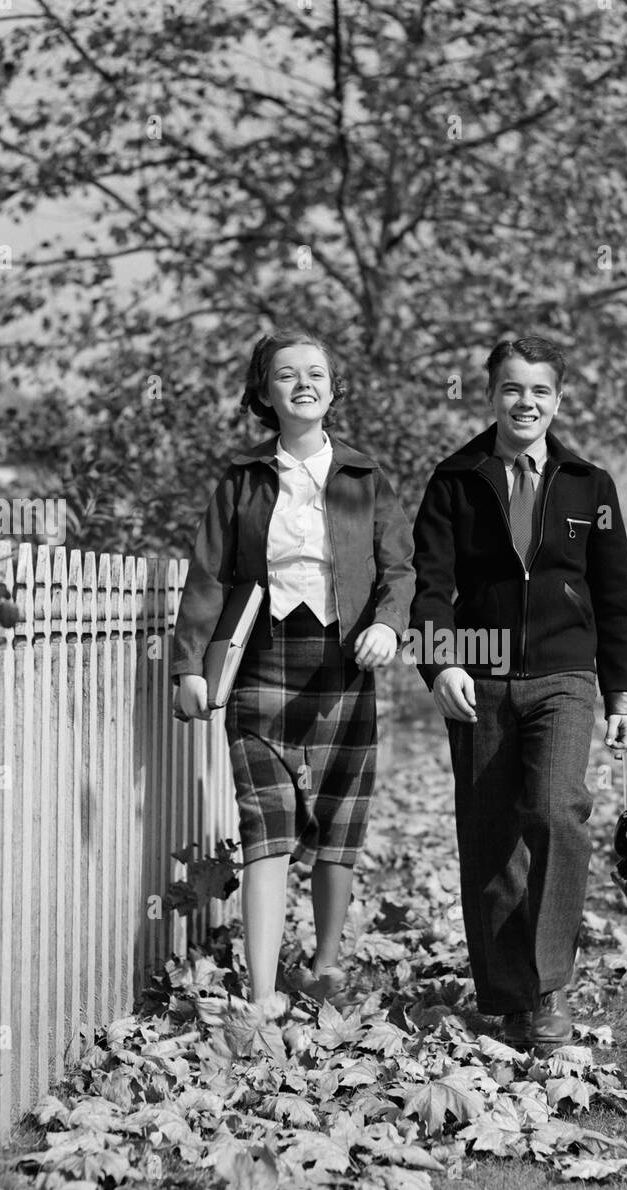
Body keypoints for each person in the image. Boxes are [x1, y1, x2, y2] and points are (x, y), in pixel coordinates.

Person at [171, 329, 415, 1010]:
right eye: (286, 375)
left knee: (339, 824)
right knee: (266, 828)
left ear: (334, 390)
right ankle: (261, 994)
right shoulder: (241, 480)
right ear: (263, 393)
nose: (303, 383)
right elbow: (209, 575)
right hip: (260, 667)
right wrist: (188, 663)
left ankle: (327, 965)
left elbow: (401, 568)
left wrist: (387, 627)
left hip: (345, 667)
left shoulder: (365, 477)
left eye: (316, 373)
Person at [410, 335, 627, 1048]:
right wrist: (439, 663)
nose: (525, 402)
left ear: (558, 400)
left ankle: (548, 991)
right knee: (490, 840)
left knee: (556, 812)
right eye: (512, 389)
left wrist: (622, 698)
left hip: (564, 676)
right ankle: (509, 999)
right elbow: (430, 589)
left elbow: (615, 598)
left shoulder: (587, 484)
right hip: (477, 677)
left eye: (539, 391)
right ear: (490, 395)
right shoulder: (455, 477)